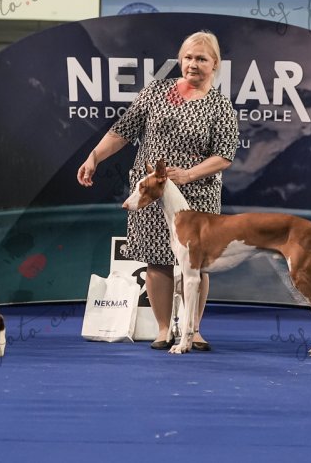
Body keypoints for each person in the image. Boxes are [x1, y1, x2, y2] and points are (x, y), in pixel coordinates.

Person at [77, 31, 239, 351]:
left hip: (198, 195)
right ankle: (164, 329)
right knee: (157, 259)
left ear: (215, 64)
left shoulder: (220, 106)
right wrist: (94, 157)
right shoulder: (156, 92)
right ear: (180, 59)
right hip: (151, 192)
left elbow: (224, 156)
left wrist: (188, 174)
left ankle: (193, 330)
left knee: (196, 264)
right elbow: (123, 131)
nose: (193, 64)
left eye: (201, 59)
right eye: (188, 57)